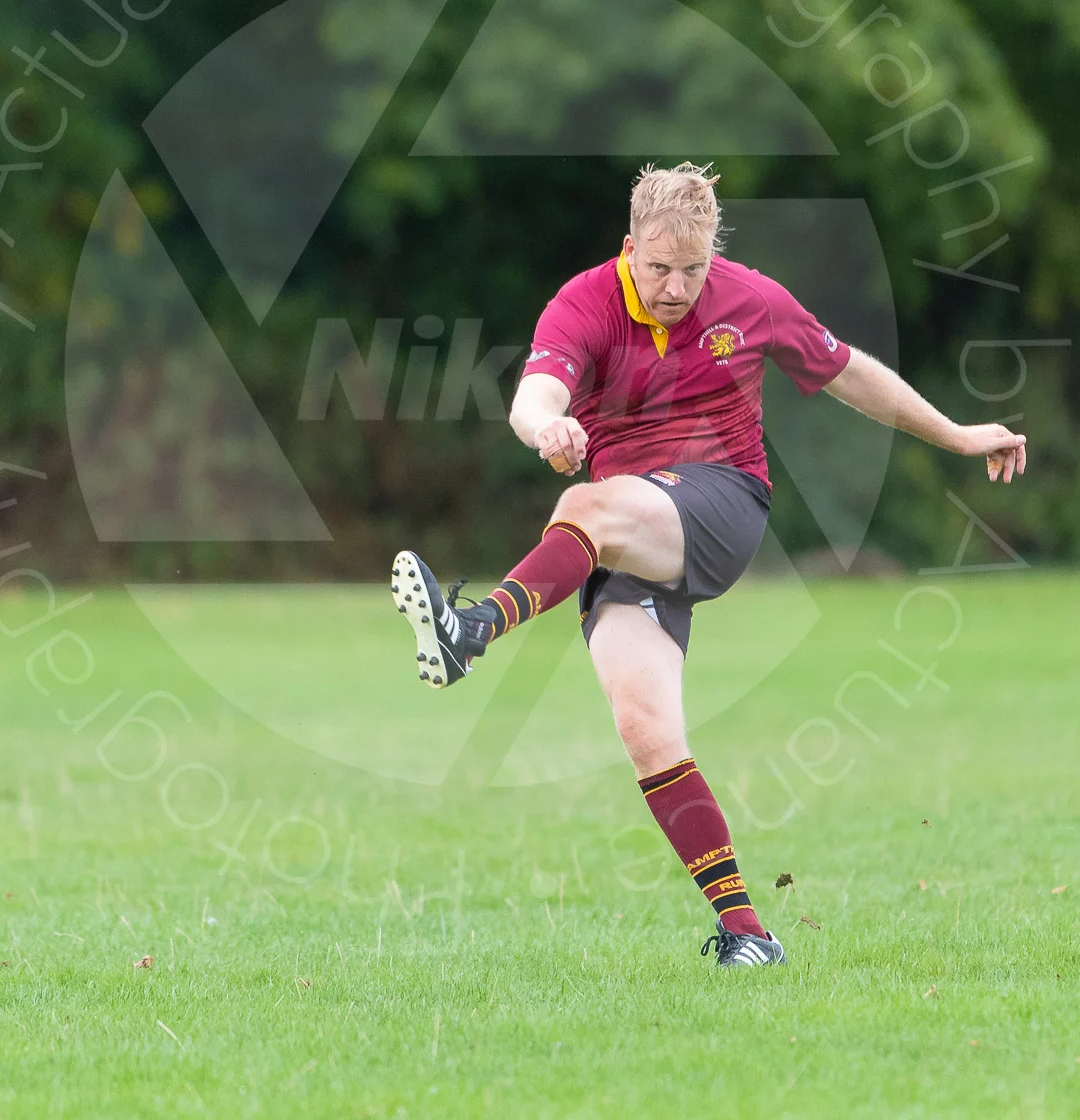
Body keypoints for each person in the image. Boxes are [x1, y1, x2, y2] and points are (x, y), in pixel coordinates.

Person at [390, 162, 1027, 970]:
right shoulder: (584, 301)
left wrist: (961, 435)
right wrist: (546, 431)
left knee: (586, 506)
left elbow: (852, 373)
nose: (675, 287)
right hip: (629, 534)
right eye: (659, 268)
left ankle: (472, 628)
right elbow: (534, 395)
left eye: (692, 270)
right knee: (647, 730)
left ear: (711, 255)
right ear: (629, 248)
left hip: (722, 505)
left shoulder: (751, 297)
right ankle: (748, 934)